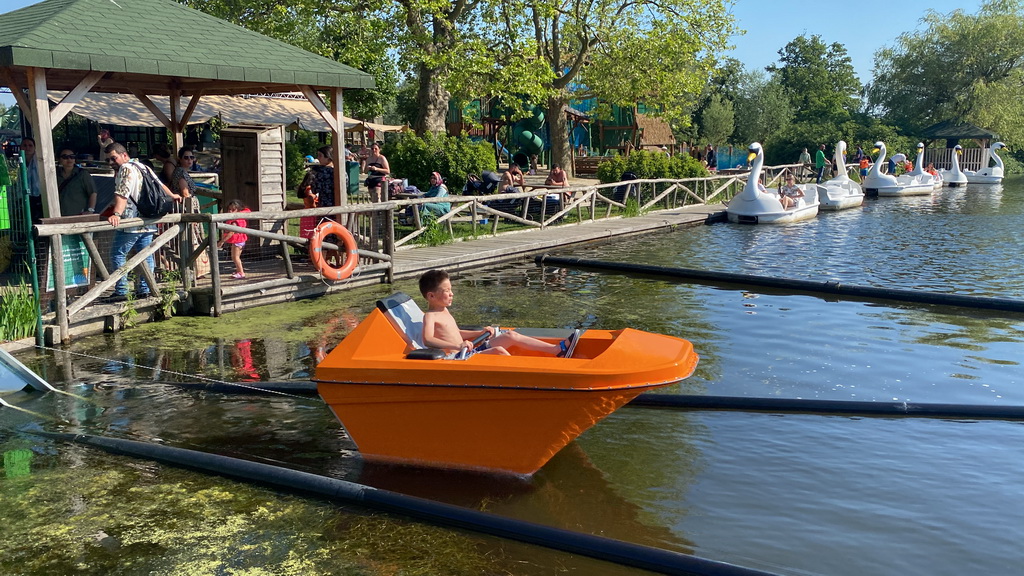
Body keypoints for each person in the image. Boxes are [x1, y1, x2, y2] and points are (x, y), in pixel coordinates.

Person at [419, 269, 579, 358]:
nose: (452, 293)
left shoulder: (444, 311)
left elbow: (456, 332)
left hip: (470, 350)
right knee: (499, 351)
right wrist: (457, 345)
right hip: (460, 357)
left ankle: (556, 350)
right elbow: (428, 340)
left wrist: (479, 333)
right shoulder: (430, 316)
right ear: (431, 296)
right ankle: (526, 376)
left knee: (510, 336)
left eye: (451, 289)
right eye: (446, 291)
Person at [103, 142, 180, 301]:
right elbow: (159, 185)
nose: (111, 163)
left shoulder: (125, 168)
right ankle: (145, 289)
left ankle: (122, 290)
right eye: (108, 160)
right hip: (148, 218)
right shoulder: (142, 166)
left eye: (113, 158)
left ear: (124, 155)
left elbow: (122, 193)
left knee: (118, 253)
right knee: (145, 255)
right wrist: (172, 195)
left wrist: (117, 213)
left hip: (131, 220)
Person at [56, 146, 97, 216]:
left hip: (78, 215)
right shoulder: (54, 174)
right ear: (59, 159)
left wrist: (90, 210)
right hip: (58, 215)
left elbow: (93, 193)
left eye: (72, 156)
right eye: (65, 157)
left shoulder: (83, 174)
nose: (69, 159)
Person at [218, 199, 250, 279]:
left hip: (238, 241)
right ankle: (238, 270)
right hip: (241, 240)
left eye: (233, 210)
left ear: (238, 210)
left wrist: (222, 241)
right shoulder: (241, 217)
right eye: (229, 209)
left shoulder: (235, 221)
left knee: (235, 257)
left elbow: (231, 232)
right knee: (236, 257)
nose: (230, 212)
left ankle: (241, 272)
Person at [20, 137, 42, 222]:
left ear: (35, 148)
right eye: (24, 145)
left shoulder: (39, 162)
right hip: (23, 197)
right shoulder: (18, 162)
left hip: (38, 197)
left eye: (30, 145)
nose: (27, 148)